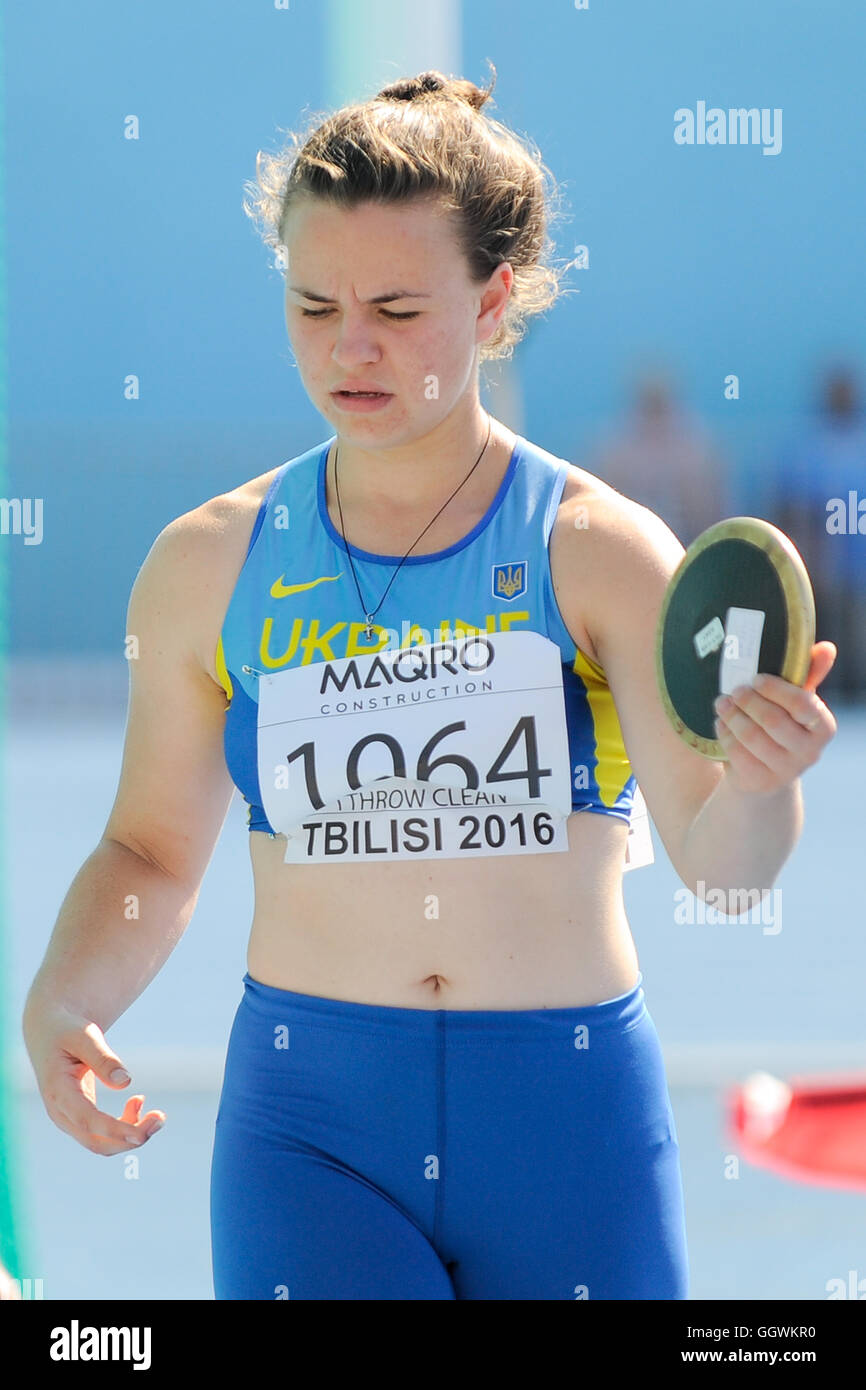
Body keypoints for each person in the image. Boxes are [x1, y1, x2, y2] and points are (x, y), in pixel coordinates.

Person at [21, 67, 837, 1302]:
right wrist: (62, 997)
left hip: (568, 1123)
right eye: (312, 305)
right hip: (310, 1128)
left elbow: (723, 871)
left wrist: (764, 782)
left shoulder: (600, 549)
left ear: (493, 299)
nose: (350, 345)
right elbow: (146, 852)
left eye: (398, 308)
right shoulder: (205, 565)